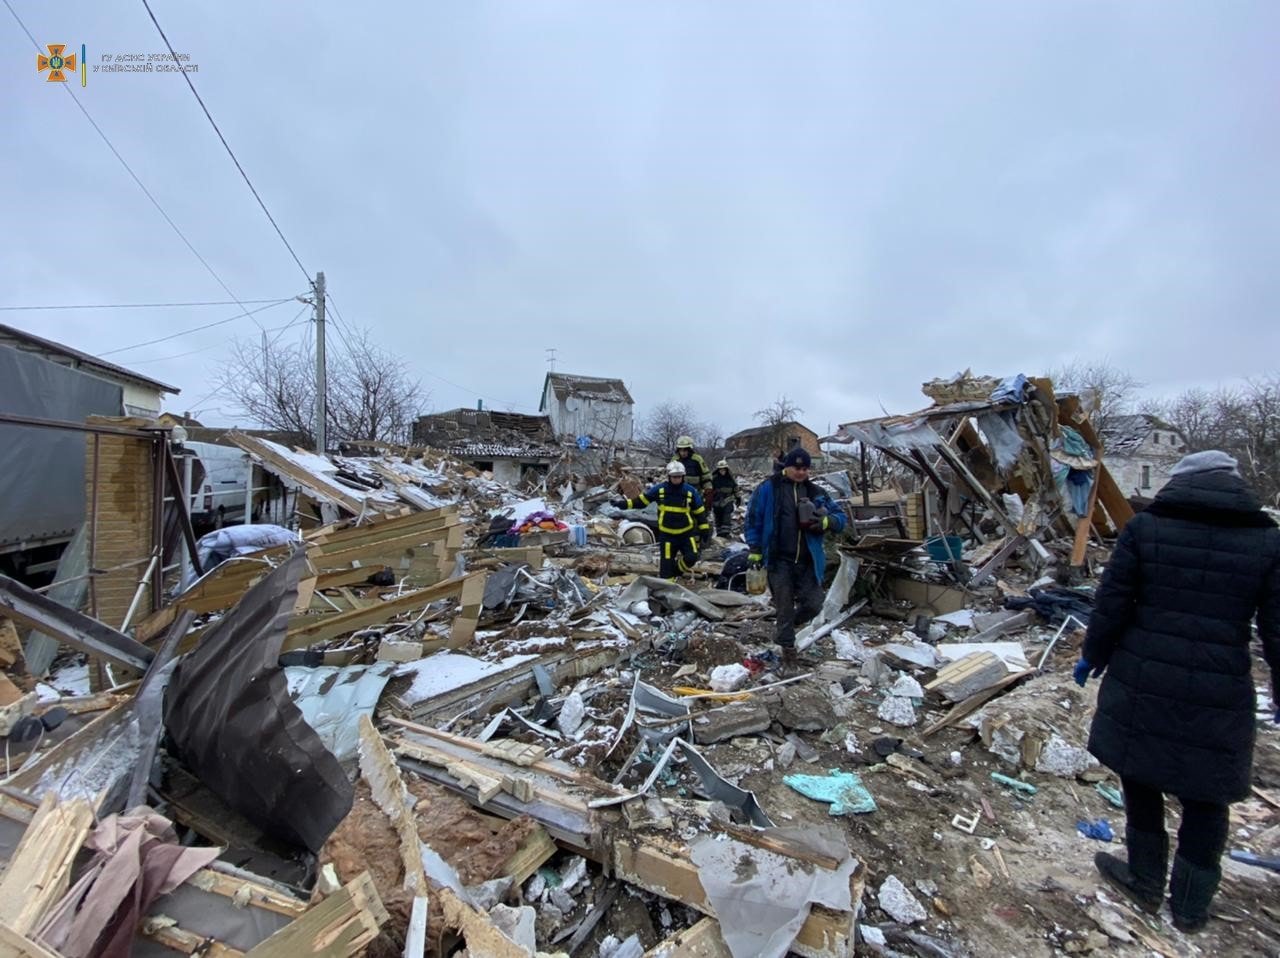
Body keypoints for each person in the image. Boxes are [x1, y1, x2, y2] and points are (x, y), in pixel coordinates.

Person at [1074, 450, 1280, 932]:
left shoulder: (1146, 529)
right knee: (1207, 794)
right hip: (1221, 682)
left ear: (1178, 484)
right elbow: (1277, 628)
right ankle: (1190, 906)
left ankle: (1144, 879)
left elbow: (1112, 603)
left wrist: (1094, 654)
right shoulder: (1268, 542)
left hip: (1144, 673)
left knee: (1140, 774)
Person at [743, 447, 846, 663]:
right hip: (779, 559)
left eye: (804, 468)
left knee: (814, 604)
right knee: (784, 606)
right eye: (796, 467)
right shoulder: (769, 488)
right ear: (787, 467)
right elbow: (754, 518)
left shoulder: (816, 492)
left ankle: (785, 630)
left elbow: (840, 517)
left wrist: (827, 521)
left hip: (807, 560)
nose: (800, 472)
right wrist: (755, 549)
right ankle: (789, 657)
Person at [612, 460, 710, 580]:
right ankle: (667, 590)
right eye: (674, 477)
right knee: (666, 570)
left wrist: (704, 528)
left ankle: (676, 570)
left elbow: (699, 512)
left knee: (691, 557)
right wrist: (622, 504)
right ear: (669, 476)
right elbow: (641, 502)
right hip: (667, 536)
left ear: (683, 476)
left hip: (686, 534)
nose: (676, 479)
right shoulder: (660, 490)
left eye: (679, 477)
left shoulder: (690, 492)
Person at [672, 436, 713, 508]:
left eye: (685, 450)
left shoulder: (697, 459)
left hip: (696, 492)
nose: (682, 452)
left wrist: (708, 490)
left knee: (697, 515)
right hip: (679, 493)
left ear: (689, 449)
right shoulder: (675, 460)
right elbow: (669, 476)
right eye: (680, 450)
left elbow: (706, 476)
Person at [710, 459, 739, 535]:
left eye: (724, 470)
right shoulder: (714, 478)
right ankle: (719, 532)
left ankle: (726, 532)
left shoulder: (730, 478)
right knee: (718, 516)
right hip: (717, 500)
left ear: (726, 469)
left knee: (726, 515)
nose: (722, 471)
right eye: (720, 470)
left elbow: (735, 488)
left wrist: (738, 497)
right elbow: (709, 490)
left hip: (728, 499)